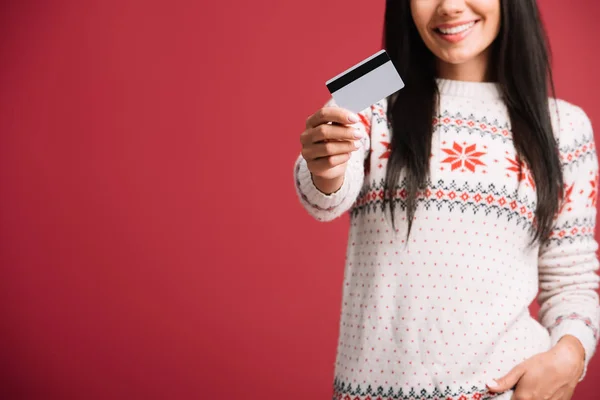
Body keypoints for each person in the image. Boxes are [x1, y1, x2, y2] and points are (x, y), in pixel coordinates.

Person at [293, 1, 600, 399]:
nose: (450, 6)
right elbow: (325, 191)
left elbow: (572, 276)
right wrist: (325, 167)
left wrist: (570, 355)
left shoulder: (563, 127)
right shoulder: (371, 89)